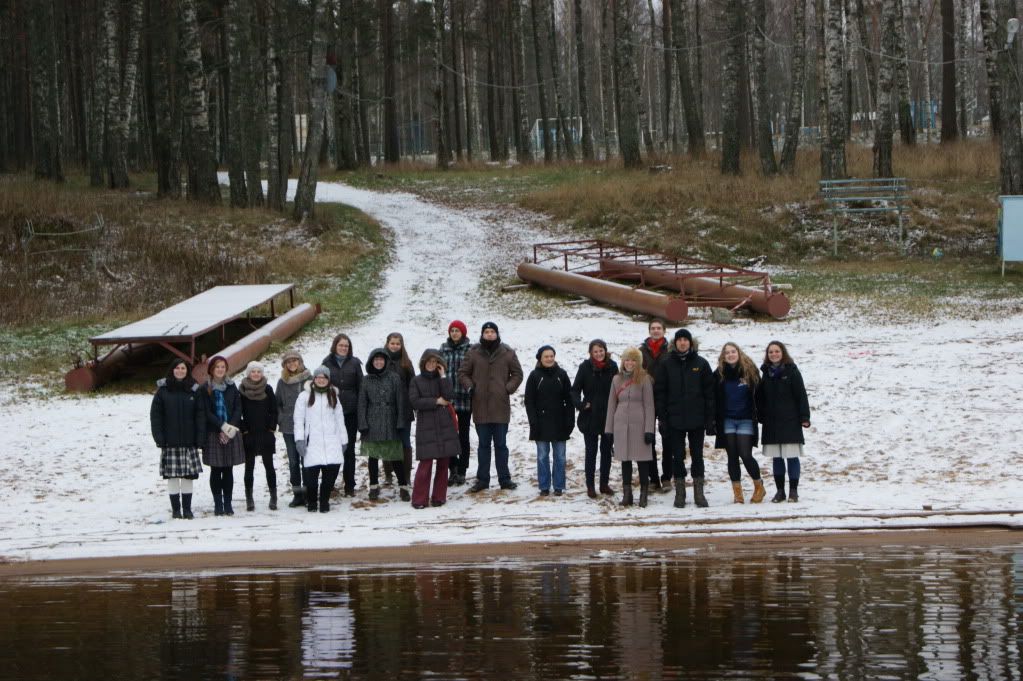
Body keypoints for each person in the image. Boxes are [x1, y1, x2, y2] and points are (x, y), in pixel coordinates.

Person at [458, 321, 524, 493]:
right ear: (482, 334)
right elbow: (462, 373)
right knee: (483, 446)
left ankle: (505, 479)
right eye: (486, 332)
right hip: (480, 407)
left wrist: (507, 388)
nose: (489, 334)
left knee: (501, 445)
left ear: (497, 334)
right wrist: (471, 387)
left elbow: (517, 374)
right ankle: (483, 480)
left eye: (492, 331)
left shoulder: (507, 353)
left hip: (500, 407)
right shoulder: (473, 353)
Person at [654, 329, 715, 509]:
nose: (682, 343)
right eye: (679, 340)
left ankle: (699, 492)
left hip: (697, 419)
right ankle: (680, 493)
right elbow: (660, 393)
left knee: (697, 456)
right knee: (677, 456)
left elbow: (709, 393)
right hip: (675, 420)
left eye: (685, 340)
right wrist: (662, 418)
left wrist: (710, 418)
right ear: (675, 343)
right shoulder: (666, 364)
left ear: (690, 343)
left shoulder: (701, 363)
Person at [757, 341, 811, 503]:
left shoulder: (792, 371)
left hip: (790, 420)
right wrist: (761, 415)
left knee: (792, 456)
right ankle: (780, 491)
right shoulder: (765, 373)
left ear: (783, 353)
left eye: (777, 351)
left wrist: (804, 417)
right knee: (777, 457)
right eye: (771, 352)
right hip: (771, 422)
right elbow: (760, 398)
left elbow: (801, 395)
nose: (774, 354)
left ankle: (793, 491)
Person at [150, 359, 204, 519]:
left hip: (189, 441)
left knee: (188, 476)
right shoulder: (163, 390)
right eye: (177, 368)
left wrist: (199, 438)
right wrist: (159, 438)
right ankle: (176, 510)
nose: (180, 371)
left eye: (183, 368)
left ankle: (187, 509)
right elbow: (155, 416)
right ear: (172, 370)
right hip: (170, 441)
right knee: (172, 477)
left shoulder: (194, 389)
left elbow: (200, 415)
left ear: (187, 371)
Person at [713, 343, 767, 504]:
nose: (730, 354)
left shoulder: (750, 371)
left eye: (733, 351)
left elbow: (761, 394)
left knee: (745, 454)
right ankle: (737, 492)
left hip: (746, 419)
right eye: (727, 352)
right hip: (727, 419)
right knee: (732, 456)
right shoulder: (719, 374)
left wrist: (763, 413)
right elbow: (713, 396)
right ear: (723, 356)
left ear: (739, 352)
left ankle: (759, 485)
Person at [408, 349, 461, 508]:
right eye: (429, 361)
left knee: (444, 462)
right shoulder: (416, 381)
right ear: (423, 363)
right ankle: (419, 499)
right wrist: (436, 401)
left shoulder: (443, 379)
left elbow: (449, 395)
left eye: (435, 362)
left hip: (445, 424)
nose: (431, 365)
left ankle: (439, 497)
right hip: (426, 425)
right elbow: (415, 402)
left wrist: (443, 376)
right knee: (425, 464)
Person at [605, 348, 656, 507]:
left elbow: (649, 406)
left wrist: (649, 429)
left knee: (642, 460)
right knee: (625, 460)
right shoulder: (616, 379)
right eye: (627, 359)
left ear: (638, 362)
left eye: (633, 360)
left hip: (639, 424)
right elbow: (611, 405)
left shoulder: (645, 379)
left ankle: (643, 494)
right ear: (623, 361)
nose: (630, 363)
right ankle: (627, 494)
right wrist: (609, 429)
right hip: (620, 424)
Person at [359, 348, 410, 501]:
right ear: (371, 362)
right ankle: (373, 486)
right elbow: (362, 403)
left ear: (386, 361)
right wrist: (363, 423)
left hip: (391, 419)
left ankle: (403, 486)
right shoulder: (366, 380)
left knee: (395, 455)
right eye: (376, 360)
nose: (379, 362)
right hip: (373, 420)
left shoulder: (394, 378)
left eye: (381, 359)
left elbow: (401, 401)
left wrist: (401, 421)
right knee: (373, 456)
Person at [294, 366, 347, 513]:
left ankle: (324, 501)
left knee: (329, 477)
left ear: (328, 380)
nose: (321, 380)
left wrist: (343, 440)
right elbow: (298, 420)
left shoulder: (333, 396)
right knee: (311, 479)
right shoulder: (304, 396)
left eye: (324, 378)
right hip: (313, 443)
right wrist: (299, 440)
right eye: (318, 377)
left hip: (332, 442)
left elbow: (339, 419)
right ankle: (312, 502)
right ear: (314, 379)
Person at [524, 345, 575, 497]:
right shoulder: (534, 376)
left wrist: (570, 421)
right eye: (546, 356)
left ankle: (559, 485)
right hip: (540, 423)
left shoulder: (562, 374)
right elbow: (529, 401)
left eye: (551, 356)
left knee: (560, 456)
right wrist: (533, 421)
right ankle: (544, 486)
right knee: (542, 456)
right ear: (540, 358)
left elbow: (569, 400)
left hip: (560, 423)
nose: (549, 359)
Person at [570, 339, 618, 498]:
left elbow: (618, 389)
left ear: (605, 351)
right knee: (591, 452)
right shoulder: (584, 367)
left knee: (606, 452)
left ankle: (604, 484)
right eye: (595, 351)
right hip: (590, 416)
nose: (599, 354)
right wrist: (581, 404)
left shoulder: (612, 366)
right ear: (591, 353)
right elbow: (575, 390)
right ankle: (590, 486)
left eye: (601, 350)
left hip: (608, 416)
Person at [200, 356, 245, 516]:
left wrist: (231, 425)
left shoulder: (232, 387)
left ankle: (228, 503)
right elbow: (206, 411)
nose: (220, 369)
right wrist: (221, 426)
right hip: (214, 432)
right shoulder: (205, 388)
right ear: (212, 369)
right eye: (217, 367)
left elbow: (238, 407)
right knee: (215, 469)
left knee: (228, 469)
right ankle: (218, 503)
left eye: (223, 367)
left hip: (231, 432)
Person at [321, 334, 362, 496]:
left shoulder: (355, 363)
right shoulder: (326, 363)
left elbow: (361, 386)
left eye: (346, 346)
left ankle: (349, 484)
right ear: (335, 346)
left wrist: (360, 409)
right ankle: (329, 482)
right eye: (341, 345)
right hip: (332, 411)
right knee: (333, 448)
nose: (344, 348)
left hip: (351, 412)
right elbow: (321, 384)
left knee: (349, 449)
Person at [239, 361, 278, 511]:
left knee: (270, 467)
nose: (256, 374)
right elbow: (239, 413)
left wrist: (271, 428)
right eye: (253, 371)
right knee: (249, 467)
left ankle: (273, 496)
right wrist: (244, 431)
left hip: (265, 433)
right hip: (249, 434)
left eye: (258, 371)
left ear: (262, 374)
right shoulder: (242, 390)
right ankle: (249, 497)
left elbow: (274, 410)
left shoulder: (267, 389)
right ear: (248, 373)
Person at [276, 350, 312, 508]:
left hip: (306, 426)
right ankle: (297, 493)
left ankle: (308, 492)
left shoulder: (308, 379)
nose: (292, 364)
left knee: (307, 459)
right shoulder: (282, 382)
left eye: (294, 361)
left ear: (300, 361)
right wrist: (281, 418)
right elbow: (277, 403)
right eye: (288, 362)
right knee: (293, 461)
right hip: (289, 426)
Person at [639, 318, 671, 491]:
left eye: (659, 328)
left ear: (664, 331)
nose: (656, 331)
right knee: (648, 439)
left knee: (668, 440)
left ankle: (667, 477)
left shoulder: (670, 350)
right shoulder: (641, 351)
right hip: (647, 398)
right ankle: (652, 478)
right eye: (653, 328)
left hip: (666, 399)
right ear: (649, 330)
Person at [440, 320, 473, 485]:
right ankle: (452, 468)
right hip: (448, 400)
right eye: (452, 330)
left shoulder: (470, 349)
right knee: (449, 435)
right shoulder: (443, 349)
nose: (454, 333)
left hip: (464, 399)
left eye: (457, 330)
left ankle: (462, 469)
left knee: (463, 436)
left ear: (463, 333)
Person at [385, 332, 416, 483]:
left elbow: (413, 385)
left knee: (404, 442)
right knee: (388, 441)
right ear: (387, 344)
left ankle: (406, 475)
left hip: (404, 409)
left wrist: (411, 403)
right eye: (392, 343)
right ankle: (389, 473)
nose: (395, 346)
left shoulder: (406, 363)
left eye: (398, 343)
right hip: (386, 409)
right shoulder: (381, 360)